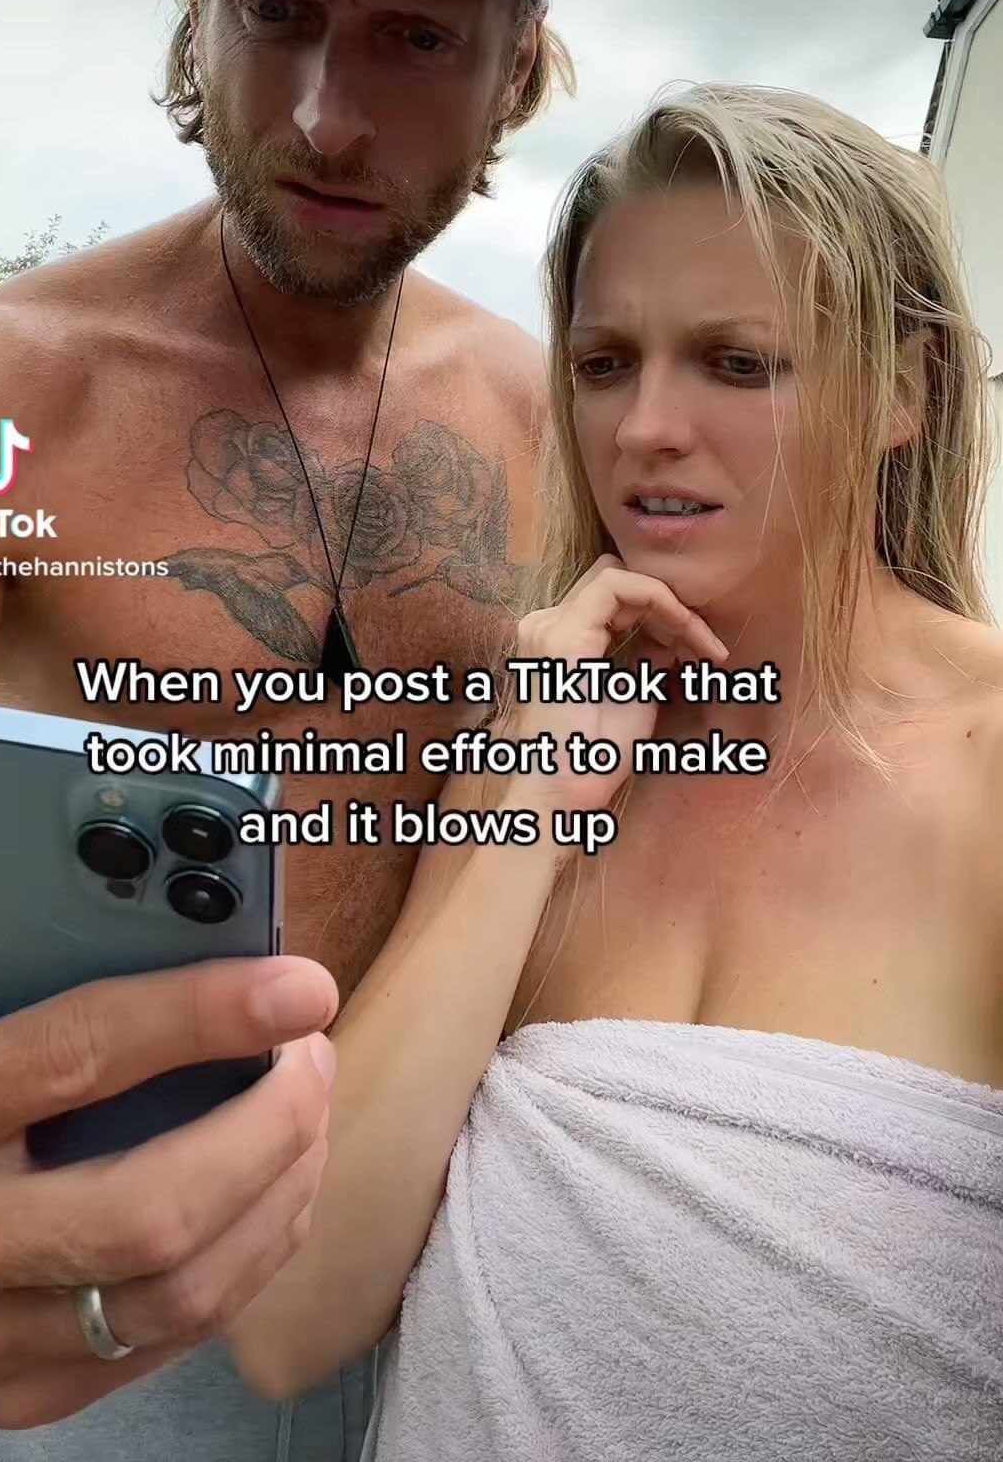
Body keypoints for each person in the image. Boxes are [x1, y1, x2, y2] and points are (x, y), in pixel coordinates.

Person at [0, 0, 590, 1457]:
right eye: (276, 13)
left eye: (417, 40)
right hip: (78, 1289)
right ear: (193, 12)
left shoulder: (555, 419)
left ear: (518, 69)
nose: (324, 117)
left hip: (460, 1274)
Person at [224, 84, 1003, 1459]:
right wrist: (518, 810)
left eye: (738, 363)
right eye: (602, 363)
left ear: (907, 389)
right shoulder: (538, 746)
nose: (643, 428)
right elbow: (292, 1318)